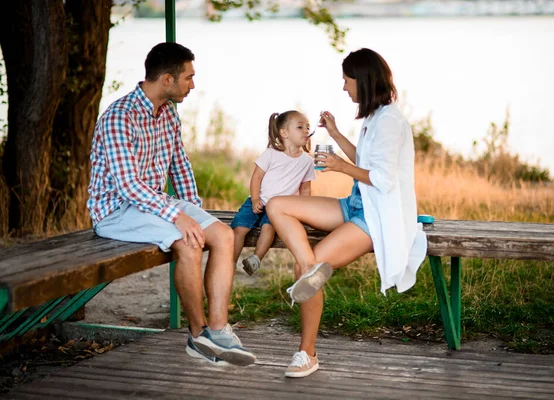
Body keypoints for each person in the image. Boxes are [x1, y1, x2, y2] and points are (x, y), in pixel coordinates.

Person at [87, 42, 256, 367]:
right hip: (115, 211)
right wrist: (178, 218)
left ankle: (219, 330)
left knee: (221, 235)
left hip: (152, 204)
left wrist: (195, 212)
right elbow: (127, 186)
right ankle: (198, 336)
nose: (193, 85)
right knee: (187, 242)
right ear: (167, 79)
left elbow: (180, 168)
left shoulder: (167, 115)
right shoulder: (119, 117)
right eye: (188, 78)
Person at [267, 48, 427, 378]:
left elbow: (383, 179)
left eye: (346, 80)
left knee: (306, 270)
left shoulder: (390, 122)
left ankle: (306, 353)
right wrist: (336, 134)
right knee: (278, 205)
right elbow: (367, 163)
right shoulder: (375, 117)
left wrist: (340, 166)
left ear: (362, 80)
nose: (344, 87)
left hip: (375, 216)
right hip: (355, 203)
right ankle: (308, 265)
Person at [231, 111, 316, 276]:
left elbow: (305, 188)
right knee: (239, 229)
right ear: (284, 133)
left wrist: (304, 211)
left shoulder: (307, 161)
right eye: (300, 127)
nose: (306, 130)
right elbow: (256, 177)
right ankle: (230, 262)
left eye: (308, 127)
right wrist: (255, 199)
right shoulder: (271, 153)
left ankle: (256, 259)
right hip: (258, 199)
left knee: (268, 228)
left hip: (280, 208)